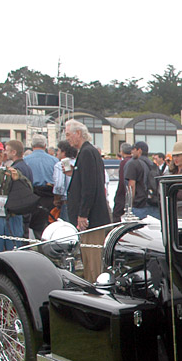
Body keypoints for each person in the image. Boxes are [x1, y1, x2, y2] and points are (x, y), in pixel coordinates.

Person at [64, 120, 110, 282]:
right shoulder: (87, 152)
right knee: (88, 258)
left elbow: (89, 186)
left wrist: (83, 214)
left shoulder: (87, 152)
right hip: (91, 216)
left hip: (92, 219)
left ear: (78, 133)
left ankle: (96, 291)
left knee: (92, 261)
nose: (67, 138)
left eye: (68, 134)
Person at [125, 141, 160, 220]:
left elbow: (131, 186)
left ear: (139, 150)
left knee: (137, 232)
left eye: (133, 149)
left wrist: (129, 205)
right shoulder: (154, 166)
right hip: (154, 206)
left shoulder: (133, 164)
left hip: (139, 206)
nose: (131, 151)